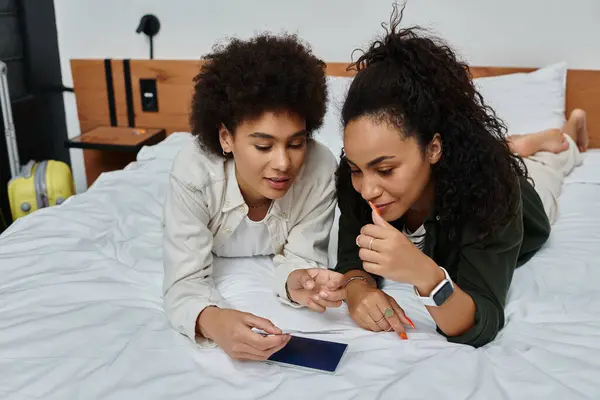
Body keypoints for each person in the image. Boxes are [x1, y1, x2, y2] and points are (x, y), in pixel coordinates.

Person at [333, 5, 586, 348]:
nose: (367, 189)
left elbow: (480, 322)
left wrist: (425, 274)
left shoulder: (492, 192)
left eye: (386, 169)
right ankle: (520, 143)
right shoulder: (357, 180)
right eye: (356, 169)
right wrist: (358, 291)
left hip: (527, 200)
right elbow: (351, 261)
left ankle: (566, 136)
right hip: (470, 161)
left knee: (549, 169)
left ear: (433, 148)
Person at [162, 33, 346, 361]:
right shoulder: (194, 174)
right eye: (263, 146)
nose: (283, 163)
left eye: (296, 143)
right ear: (226, 138)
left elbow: (303, 255)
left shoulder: (320, 170)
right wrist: (213, 321)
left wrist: (298, 281)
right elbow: (184, 281)